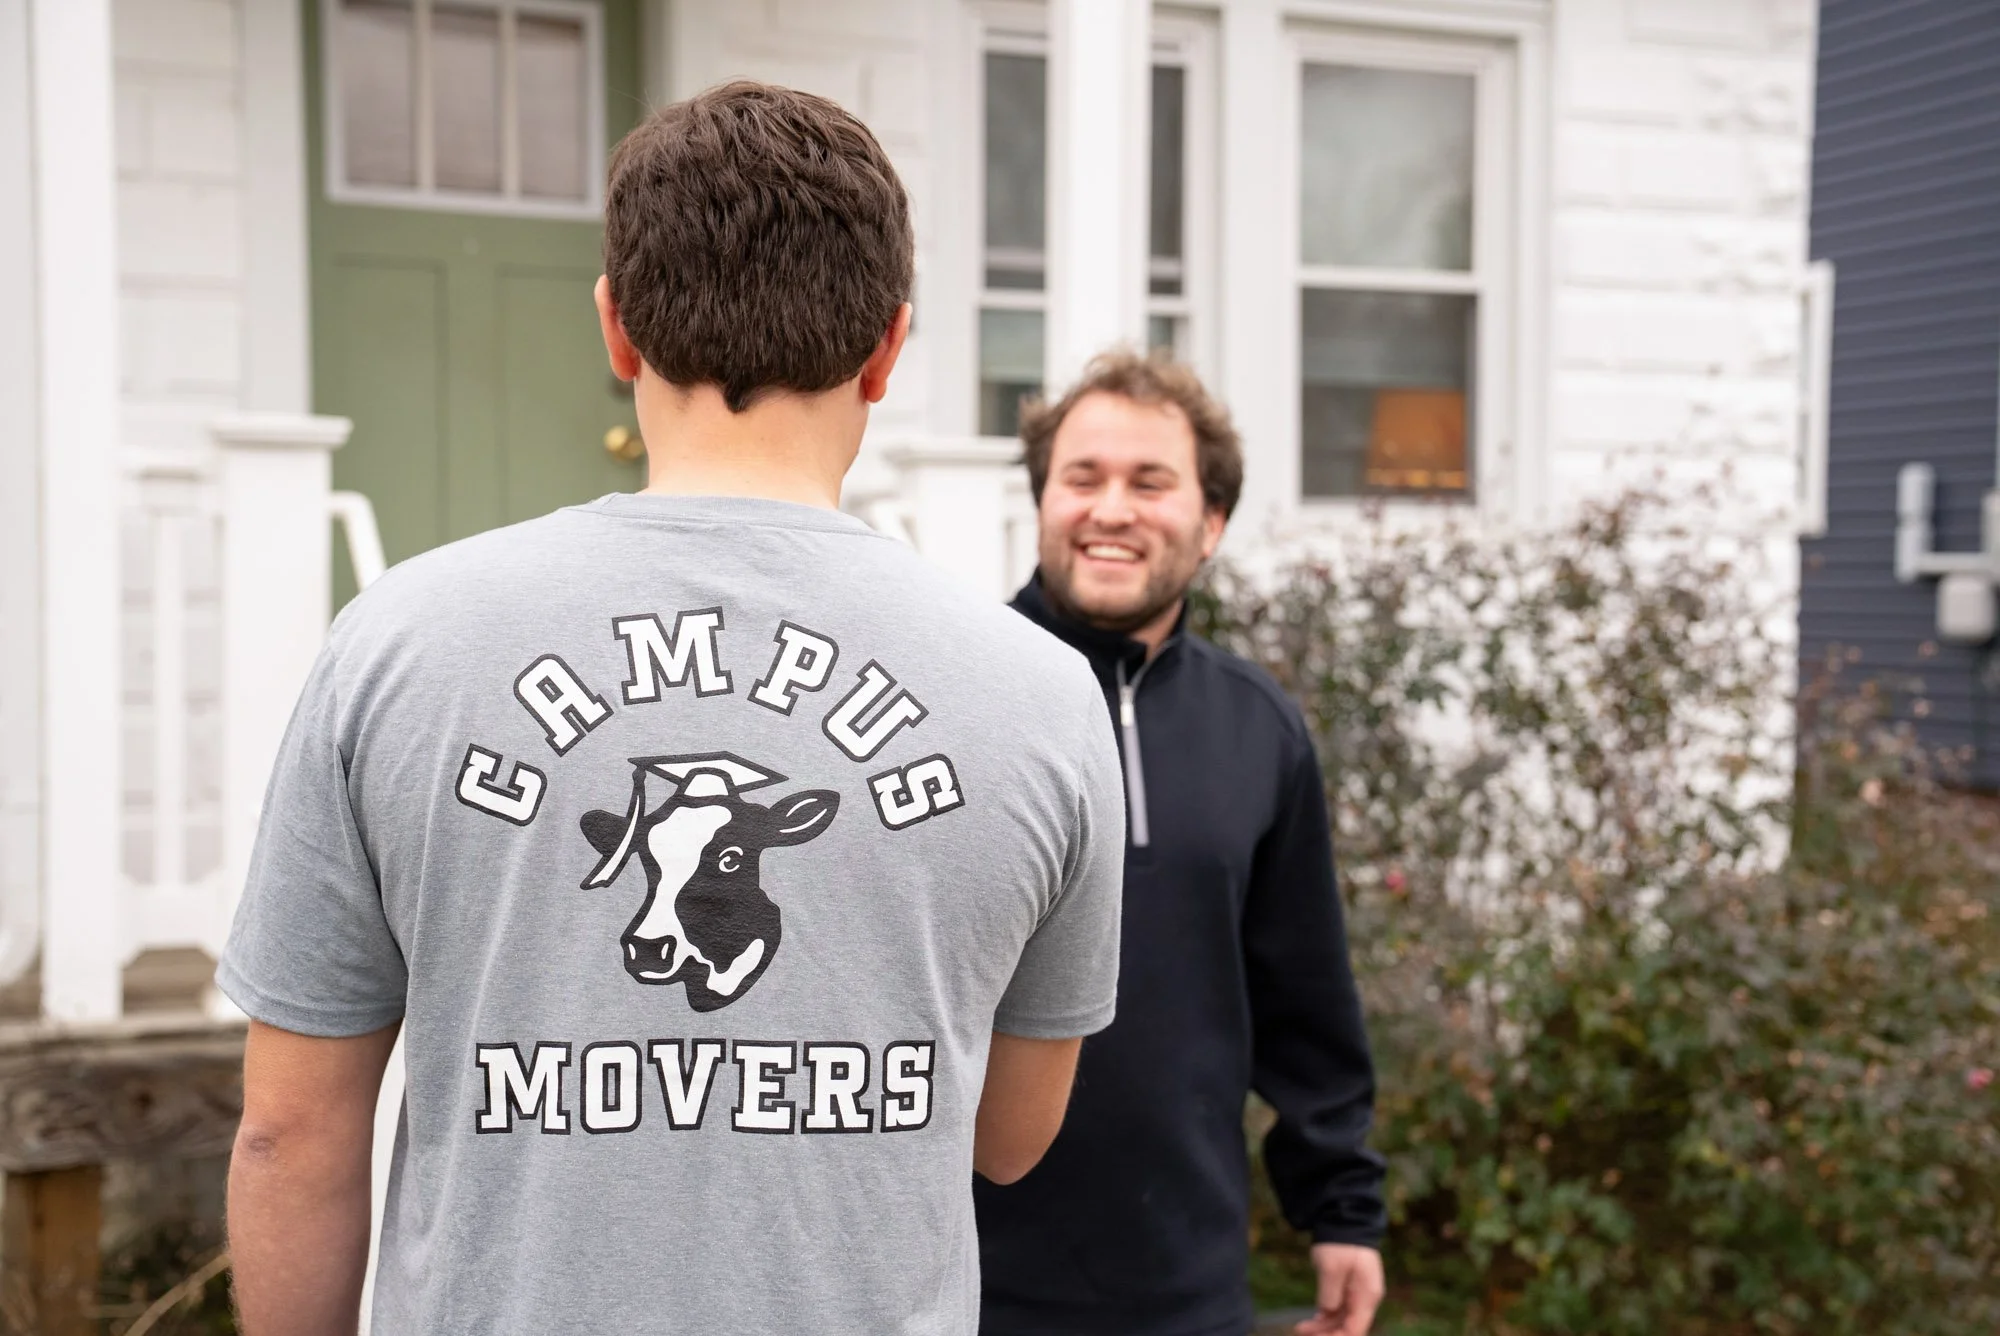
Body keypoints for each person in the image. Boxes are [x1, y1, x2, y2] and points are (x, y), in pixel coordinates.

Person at [219, 82, 1127, 1336]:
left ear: (616, 327)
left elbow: (289, 1132)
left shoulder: (396, 643)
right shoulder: (1040, 694)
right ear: (887, 349)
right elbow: (1009, 1137)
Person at [973, 352, 1387, 1336]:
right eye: (1082, 478)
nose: (1110, 509)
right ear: (1042, 501)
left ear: (1210, 524)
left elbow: (1304, 998)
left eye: (1149, 482)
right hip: (966, 1283)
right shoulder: (954, 700)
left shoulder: (1258, 729)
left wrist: (1341, 1210)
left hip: (1186, 1288)